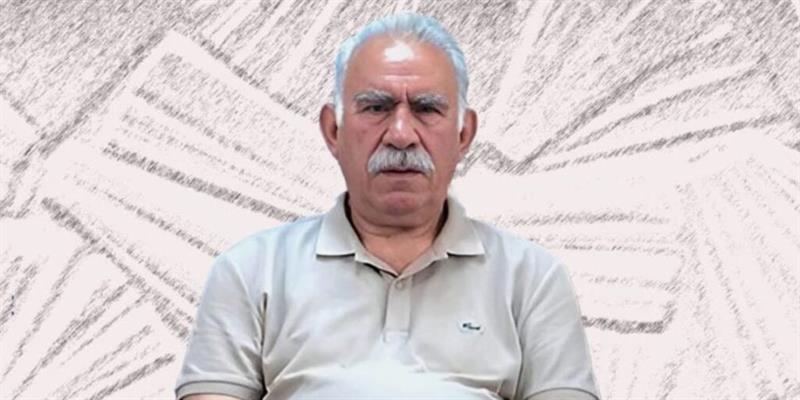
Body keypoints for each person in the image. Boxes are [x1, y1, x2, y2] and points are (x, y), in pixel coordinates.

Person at [176, 13, 599, 400]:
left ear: (463, 134)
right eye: (376, 107)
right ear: (333, 130)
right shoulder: (252, 270)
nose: (401, 134)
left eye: (427, 109)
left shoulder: (532, 277)